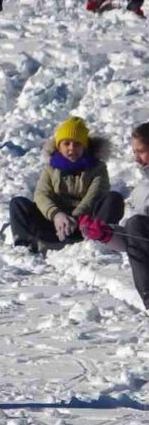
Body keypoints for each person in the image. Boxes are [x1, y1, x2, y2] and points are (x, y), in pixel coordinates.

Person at [8, 116, 124, 254]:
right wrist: (57, 215)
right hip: (55, 225)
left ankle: (98, 244)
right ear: (59, 146)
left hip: (85, 225)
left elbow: (95, 195)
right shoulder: (51, 169)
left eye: (77, 144)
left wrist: (75, 218)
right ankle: (26, 246)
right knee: (18, 204)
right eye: (67, 143)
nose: (71, 148)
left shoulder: (98, 168)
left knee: (113, 199)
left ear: (85, 146)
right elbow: (41, 195)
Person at [77, 123, 149, 306]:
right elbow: (131, 240)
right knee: (135, 224)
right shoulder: (141, 192)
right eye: (134, 153)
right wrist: (106, 234)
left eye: (141, 151)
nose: (137, 159)